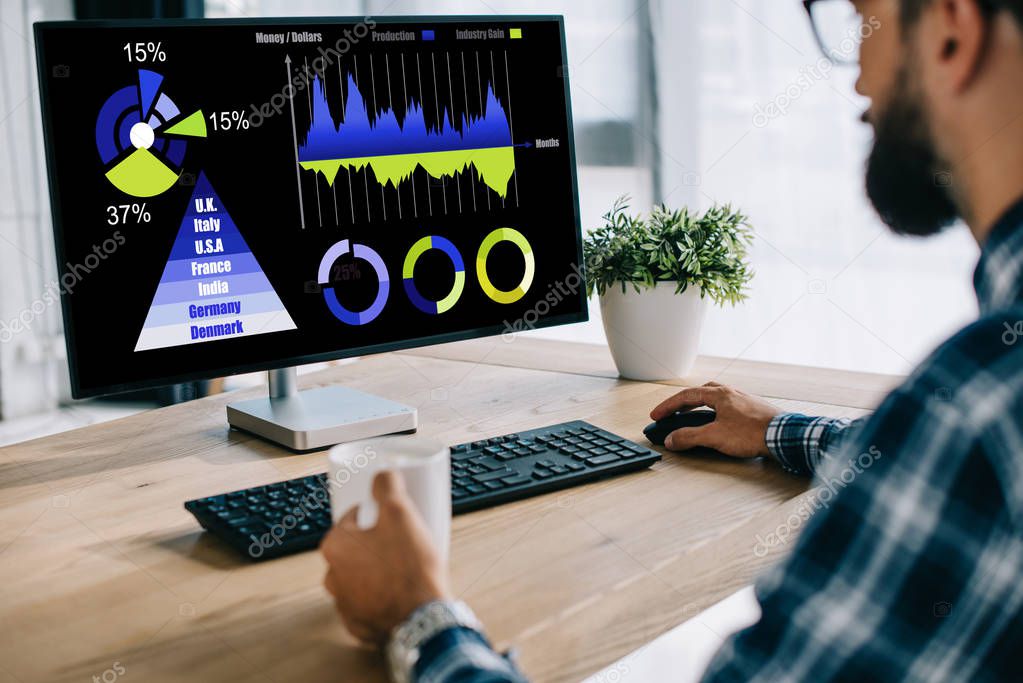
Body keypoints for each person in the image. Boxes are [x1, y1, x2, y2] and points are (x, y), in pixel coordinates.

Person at [320, 0, 1023, 680]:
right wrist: (782, 429)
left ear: (950, 30)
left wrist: (419, 615)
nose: (860, 78)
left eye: (856, 18)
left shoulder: (974, 409)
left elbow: (963, 456)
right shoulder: (970, 422)